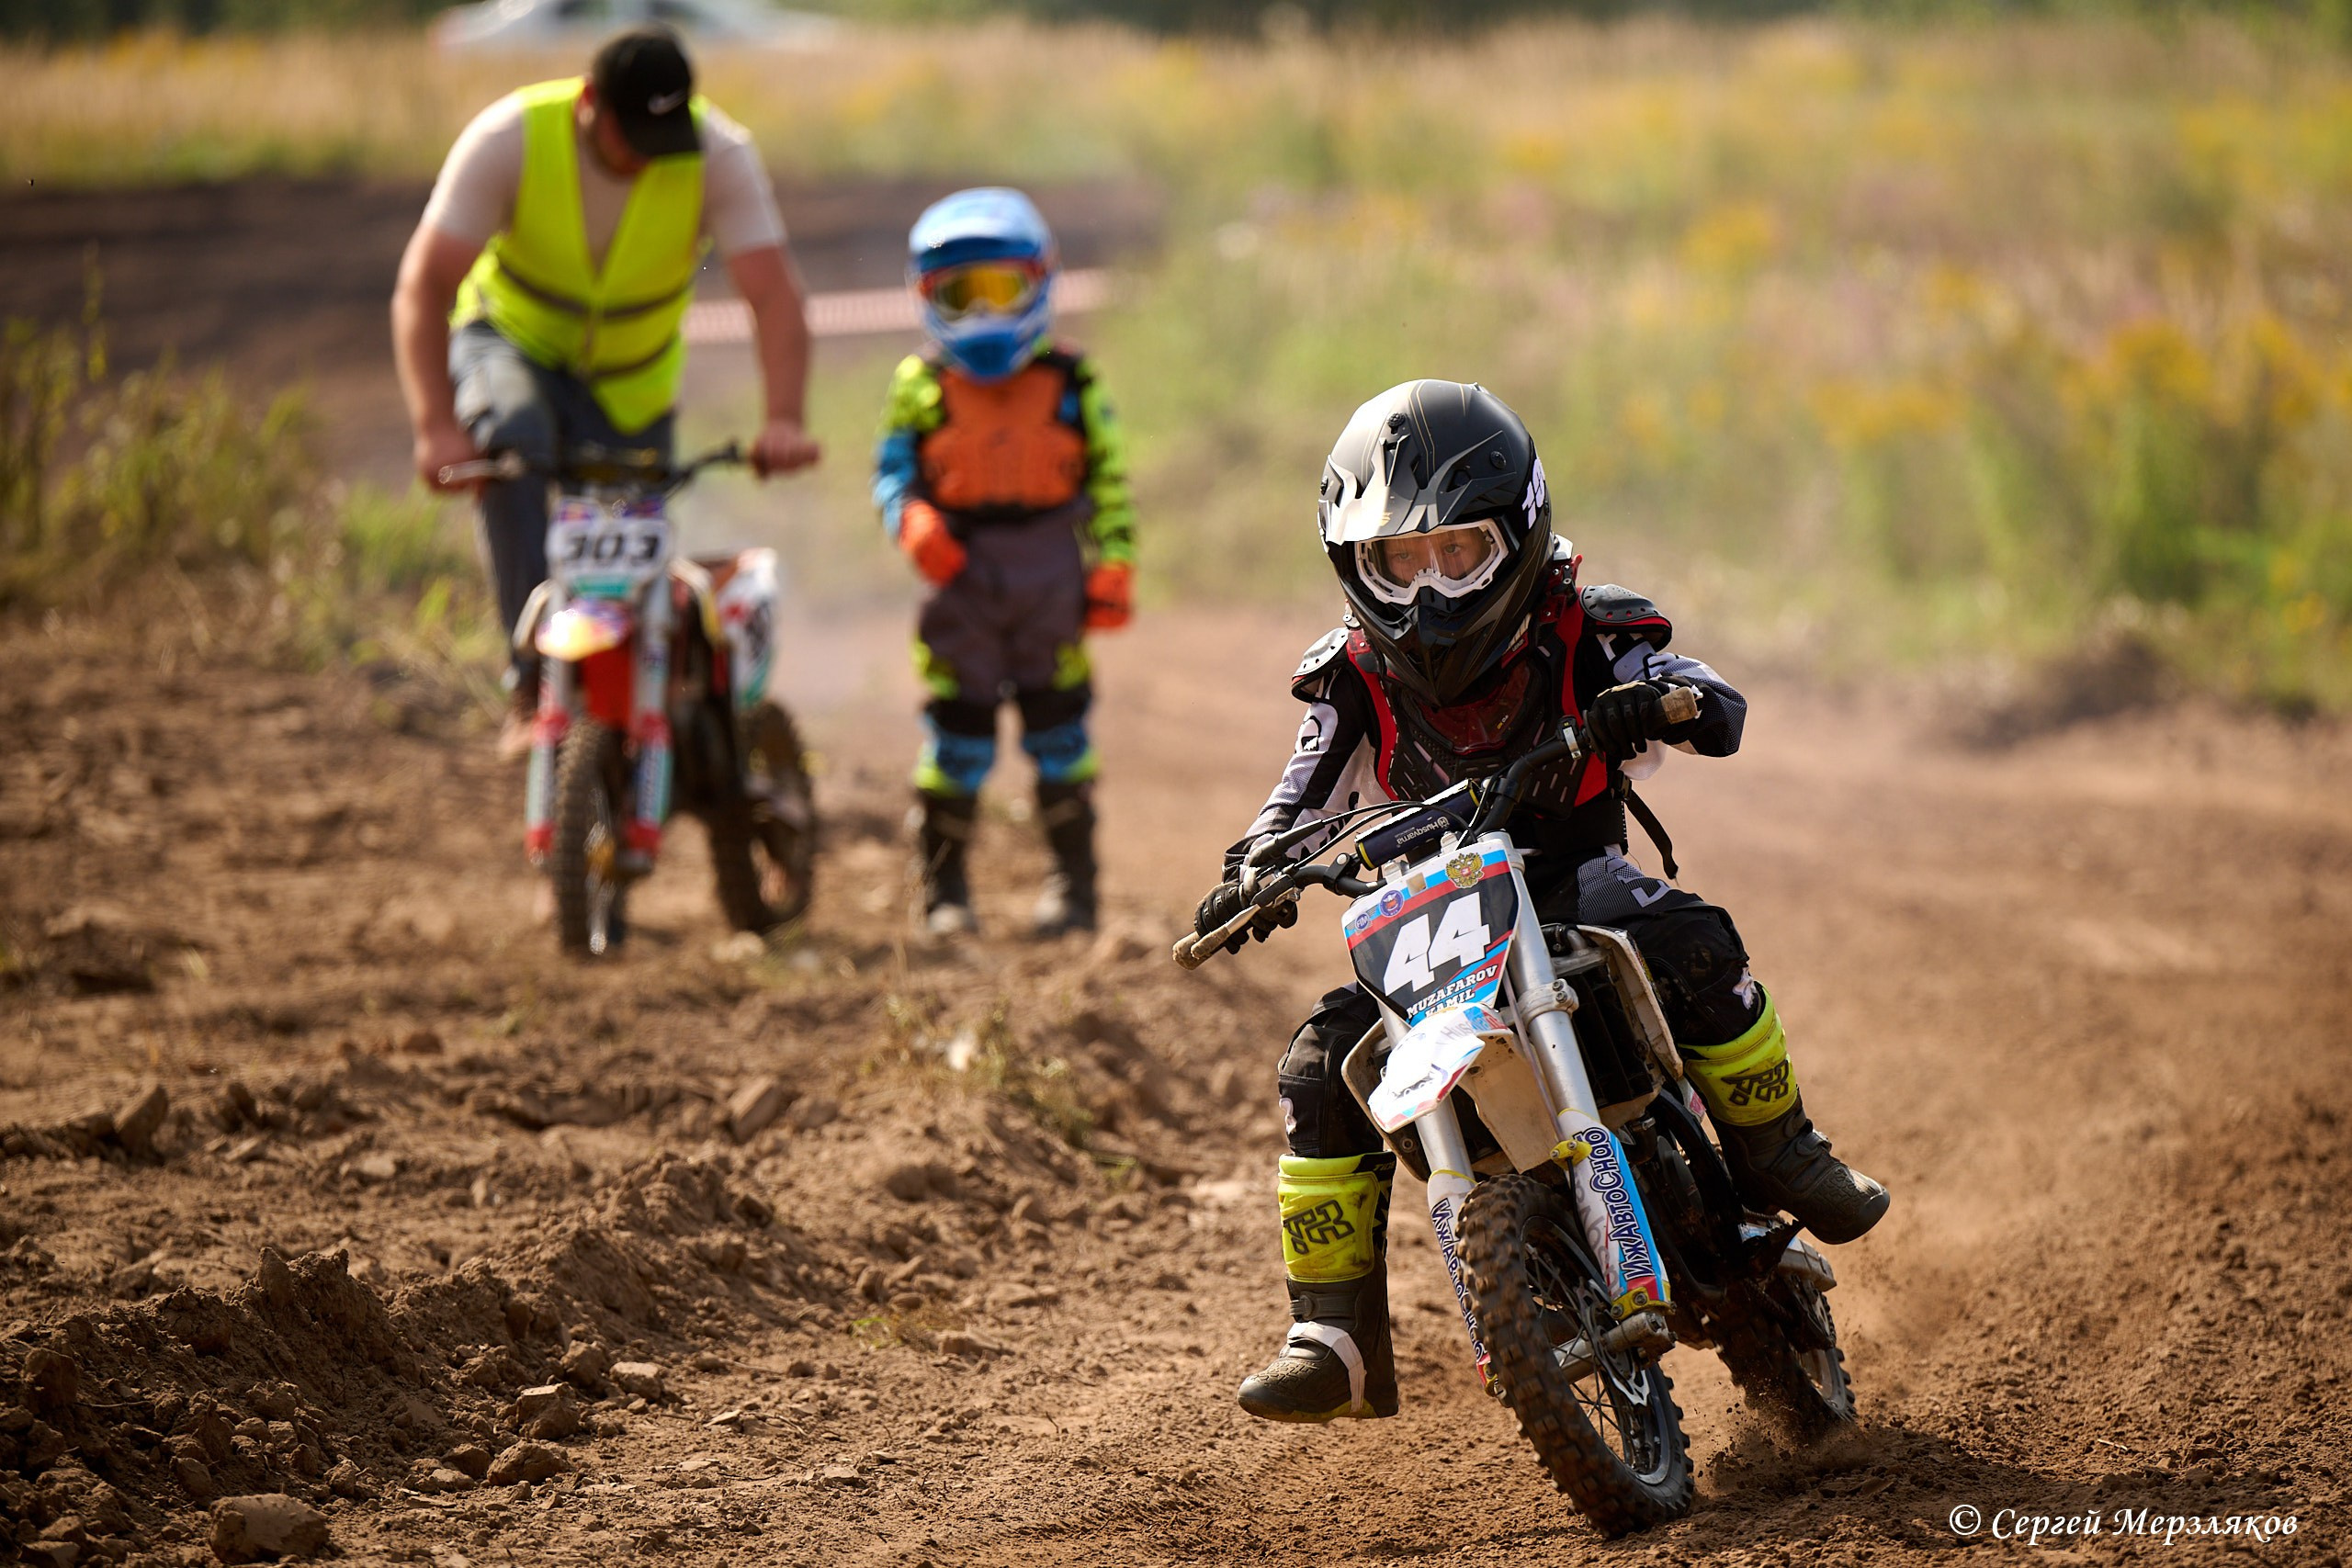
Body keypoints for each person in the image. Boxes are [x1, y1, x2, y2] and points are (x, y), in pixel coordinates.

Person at [1193, 379, 1890, 1424]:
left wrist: (1664, 702)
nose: (1428, 590)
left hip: (1572, 877)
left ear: (1517, 535)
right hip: (1430, 917)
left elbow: (1705, 696)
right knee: (1316, 1063)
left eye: (1458, 552)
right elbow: (1299, 791)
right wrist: (1253, 864)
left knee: (1687, 936)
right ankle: (1328, 1333)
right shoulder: (1351, 677)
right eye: (1399, 561)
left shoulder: (1582, 623)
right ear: (1354, 562)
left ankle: (1783, 1148)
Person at [390, 26, 821, 756]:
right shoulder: (510, 138)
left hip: (631, 379)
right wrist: (435, 425)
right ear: (592, 103)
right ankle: (530, 688)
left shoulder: (719, 155)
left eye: (666, 133)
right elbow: (425, 285)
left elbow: (774, 296)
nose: (648, 156)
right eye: (634, 135)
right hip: (513, 343)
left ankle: (632, 724)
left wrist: (783, 419)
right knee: (515, 443)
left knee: (628, 555)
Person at [871, 187, 1137, 939]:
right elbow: (892, 471)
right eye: (963, 296)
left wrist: (1114, 562)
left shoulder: (1073, 384)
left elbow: (1109, 482)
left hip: (1051, 576)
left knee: (1060, 732)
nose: (986, 315)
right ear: (928, 300)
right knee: (957, 737)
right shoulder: (920, 386)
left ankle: (1075, 894)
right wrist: (911, 517)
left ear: (1040, 283)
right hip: (961, 581)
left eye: (1003, 291)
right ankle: (943, 893)